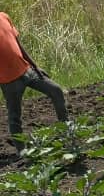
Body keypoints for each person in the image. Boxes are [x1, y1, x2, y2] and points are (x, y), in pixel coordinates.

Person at [0, 11, 68, 149]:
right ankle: (22, 151)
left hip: (28, 70)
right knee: (15, 117)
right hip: (9, 81)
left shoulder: (4, 16)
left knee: (56, 90)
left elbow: (18, 45)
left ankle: (67, 130)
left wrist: (35, 65)